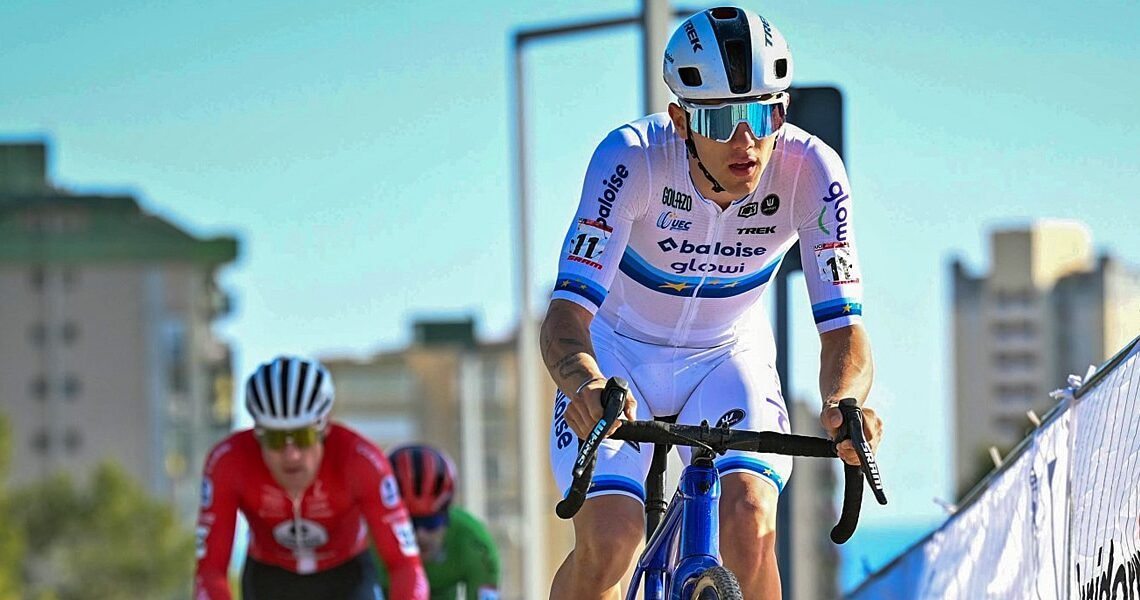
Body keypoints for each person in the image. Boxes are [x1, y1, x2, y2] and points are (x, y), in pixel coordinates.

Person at [541, 6, 884, 598]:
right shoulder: (631, 159)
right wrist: (584, 384)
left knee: (750, 525)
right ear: (681, 119)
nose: (746, 141)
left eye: (763, 113)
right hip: (617, 360)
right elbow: (564, 318)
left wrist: (844, 403)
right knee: (611, 541)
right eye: (722, 119)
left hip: (727, 357)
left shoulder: (811, 170)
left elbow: (844, 330)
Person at [193, 356, 428, 600]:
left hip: (347, 575)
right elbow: (210, 572)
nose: (291, 455)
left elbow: (405, 566)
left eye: (303, 436)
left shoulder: (361, 461)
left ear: (324, 428)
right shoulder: (228, 461)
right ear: (257, 433)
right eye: (275, 439)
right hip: (270, 579)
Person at [378, 444, 501, 600]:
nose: (420, 535)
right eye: (409, 524)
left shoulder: (475, 544)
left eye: (431, 522)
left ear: (447, 516)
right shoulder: (367, 541)